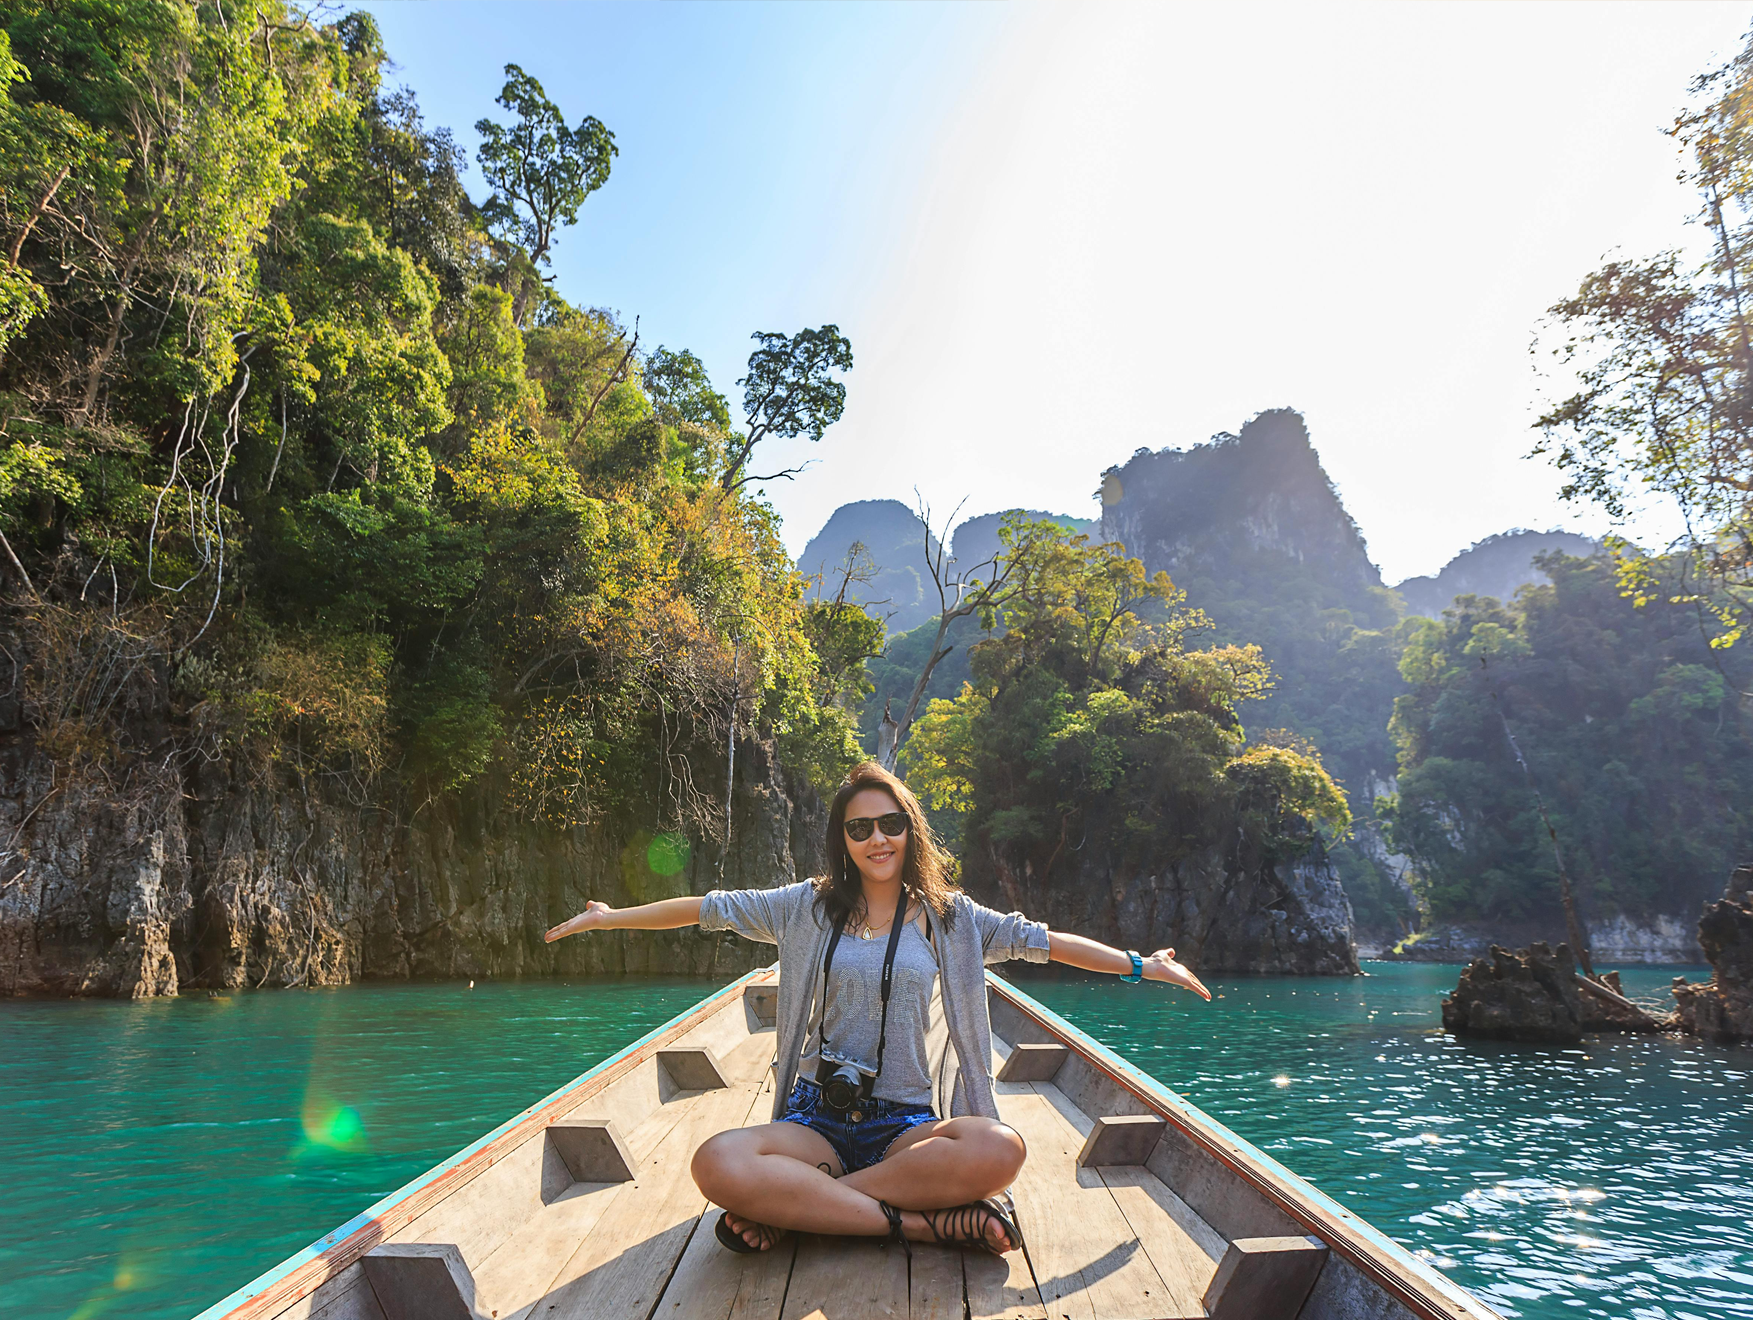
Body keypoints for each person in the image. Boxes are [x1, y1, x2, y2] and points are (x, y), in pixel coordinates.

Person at [544, 760, 1210, 1257]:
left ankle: (801, 1209)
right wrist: (608, 920)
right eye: (859, 828)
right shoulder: (802, 907)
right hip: (817, 1120)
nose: (877, 839)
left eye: (890, 823)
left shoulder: (955, 920)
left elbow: (1045, 943)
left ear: (909, 828)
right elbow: (704, 908)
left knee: (996, 1148)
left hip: (904, 1125)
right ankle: (916, 1223)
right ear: (844, 838)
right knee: (715, 1162)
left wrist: (1140, 966)